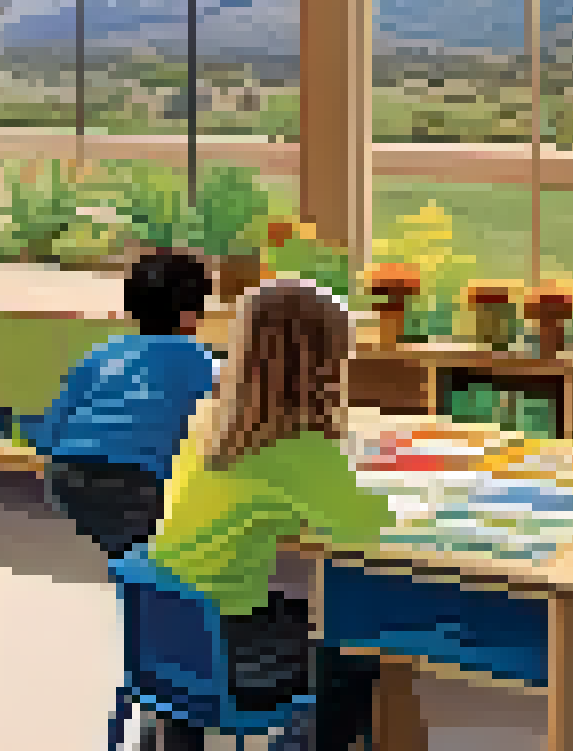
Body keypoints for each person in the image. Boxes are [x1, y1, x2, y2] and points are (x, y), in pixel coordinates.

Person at [144, 279, 392, 751]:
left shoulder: (205, 421)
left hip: (167, 638)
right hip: (233, 653)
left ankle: (176, 730)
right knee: (357, 645)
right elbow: (367, 528)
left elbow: (256, 504)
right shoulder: (303, 449)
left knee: (293, 608)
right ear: (324, 367)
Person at [20, 248, 218, 561]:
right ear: (192, 314)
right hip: (141, 484)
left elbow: (51, 432)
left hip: (69, 476)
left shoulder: (101, 354)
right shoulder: (202, 363)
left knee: (127, 550)